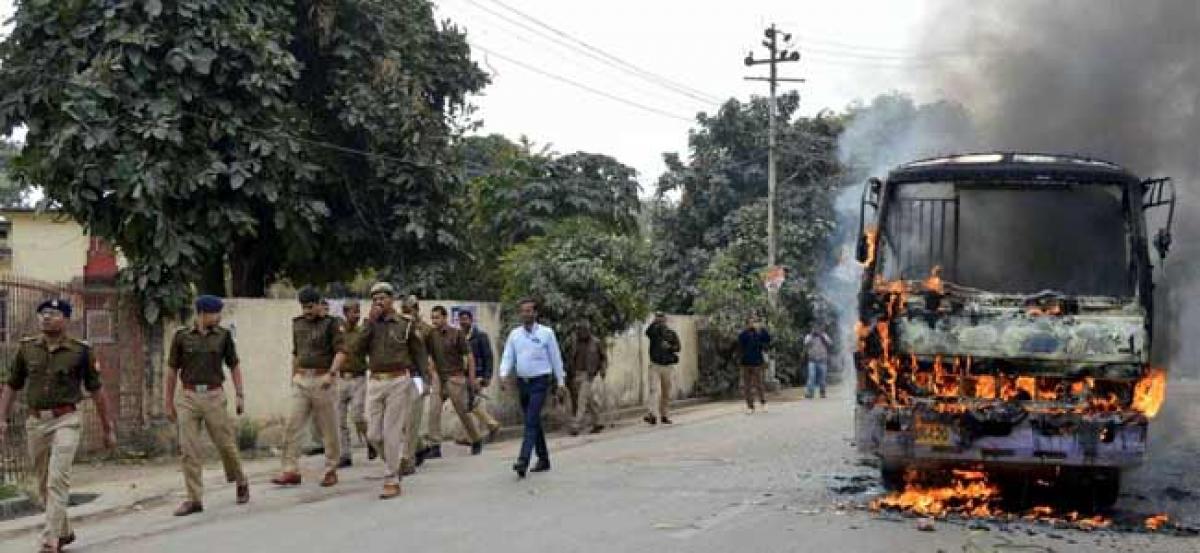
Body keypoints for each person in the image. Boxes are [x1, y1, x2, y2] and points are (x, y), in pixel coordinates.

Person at [0, 299, 115, 553]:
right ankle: (65, 532)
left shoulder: (80, 351)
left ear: (66, 319)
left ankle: (50, 539)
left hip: (67, 420)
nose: (46, 318)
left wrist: (108, 428)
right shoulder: (26, 349)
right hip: (36, 422)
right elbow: (11, 385)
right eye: (42, 314)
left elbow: (96, 390)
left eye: (52, 314)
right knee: (43, 483)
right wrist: (2, 419)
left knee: (57, 479)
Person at [331, 282, 426, 499]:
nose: (378, 302)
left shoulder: (405, 324)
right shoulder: (369, 325)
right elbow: (354, 349)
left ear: (391, 300)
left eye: (382, 298)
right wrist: (369, 324)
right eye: (375, 299)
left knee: (391, 432)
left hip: (399, 380)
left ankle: (391, 479)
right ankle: (395, 464)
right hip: (374, 381)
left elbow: (418, 353)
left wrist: (423, 381)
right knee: (374, 434)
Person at [164, 295, 250, 517]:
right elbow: (172, 371)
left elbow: (234, 365)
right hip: (189, 396)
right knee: (188, 449)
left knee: (225, 444)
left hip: (214, 395)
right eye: (216, 313)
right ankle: (194, 499)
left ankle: (240, 480)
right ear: (202, 314)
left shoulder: (223, 336)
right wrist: (168, 402)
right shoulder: (181, 337)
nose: (219, 317)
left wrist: (240, 395)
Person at [273, 287, 342, 488]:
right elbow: (296, 353)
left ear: (320, 304)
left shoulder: (332, 324)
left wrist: (332, 373)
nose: (307, 311)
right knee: (292, 425)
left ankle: (331, 469)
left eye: (310, 307)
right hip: (302, 380)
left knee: (328, 429)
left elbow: (341, 351)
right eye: (304, 307)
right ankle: (290, 470)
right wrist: (292, 376)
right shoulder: (298, 324)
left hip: (323, 380)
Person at [499, 298, 566, 478]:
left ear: (536, 313)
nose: (526, 314)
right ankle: (543, 459)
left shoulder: (546, 333)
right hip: (523, 383)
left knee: (530, 420)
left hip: (540, 382)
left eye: (529, 311)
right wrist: (503, 375)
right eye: (523, 311)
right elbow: (508, 356)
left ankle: (523, 460)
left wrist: (561, 382)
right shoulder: (515, 335)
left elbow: (555, 358)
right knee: (533, 420)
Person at [423, 306, 483, 455]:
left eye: (437, 317)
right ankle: (435, 445)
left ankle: (476, 439)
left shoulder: (456, 334)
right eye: (433, 318)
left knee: (462, 411)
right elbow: (427, 355)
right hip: (438, 377)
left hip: (455, 377)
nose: (434, 321)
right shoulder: (431, 335)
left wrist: (471, 379)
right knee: (434, 410)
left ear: (445, 318)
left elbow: (469, 357)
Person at [401, 295, 437, 473]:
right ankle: (420, 446)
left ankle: (409, 458)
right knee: (401, 420)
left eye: (410, 309)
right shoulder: (399, 327)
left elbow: (433, 354)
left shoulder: (426, 330)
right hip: (401, 376)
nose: (407, 312)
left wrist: (429, 379)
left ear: (417, 308)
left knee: (411, 416)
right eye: (404, 310)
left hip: (418, 376)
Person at [335, 299, 369, 467]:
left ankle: (371, 441)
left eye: (358, 311)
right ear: (345, 313)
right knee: (339, 419)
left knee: (357, 415)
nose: (356, 315)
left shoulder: (363, 332)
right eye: (353, 312)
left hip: (358, 378)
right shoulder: (338, 332)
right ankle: (345, 454)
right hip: (341, 378)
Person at [459, 310, 501, 441]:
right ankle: (490, 425)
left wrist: (486, 376)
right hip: (463, 375)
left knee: (470, 404)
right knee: (469, 404)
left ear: (471, 320)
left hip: (477, 375)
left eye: (465, 319)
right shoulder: (459, 336)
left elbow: (488, 357)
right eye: (461, 319)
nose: (463, 322)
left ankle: (472, 435)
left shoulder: (480, 336)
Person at [569, 322, 607, 435]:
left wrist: (603, 369)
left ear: (588, 330)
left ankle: (576, 425)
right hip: (577, 374)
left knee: (582, 400)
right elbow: (572, 358)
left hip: (589, 374)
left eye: (584, 330)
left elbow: (603, 357)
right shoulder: (576, 343)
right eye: (580, 330)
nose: (582, 333)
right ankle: (597, 422)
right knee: (589, 400)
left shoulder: (596, 342)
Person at [643, 312, 681, 425]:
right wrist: (653, 322)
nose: (661, 321)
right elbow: (647, 332)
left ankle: (664, 415)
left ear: (666, 320)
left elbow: (678, 347)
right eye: (658, 319)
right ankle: (652, 414)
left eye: (662, 319)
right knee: (653, 390)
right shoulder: (654, 333)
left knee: (666, 392)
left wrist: (669, 347)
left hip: (668, 366)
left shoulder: (672, 334)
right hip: (655, 365)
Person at [737, 316, 772, 414]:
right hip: (746, 362)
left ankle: (763, 403)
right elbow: (740, 347)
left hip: (757, 362)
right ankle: (750, 406)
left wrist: (762, 329)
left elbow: (768, 340)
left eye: (754, 322)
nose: (752, 324)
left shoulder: (759, 333)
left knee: (759, 384)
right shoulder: (743, 335)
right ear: (747, 324)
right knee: (747, 386)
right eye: (750, 322)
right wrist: (740, 360)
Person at [803, 327, 833, 399]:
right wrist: (812, 336)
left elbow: (830, 343)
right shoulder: (809, 336)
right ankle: (810, 393)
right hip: (812, 360)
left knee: (822, 379)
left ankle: (822, 392)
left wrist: (822, 336)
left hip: (822, 360)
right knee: (811, 377)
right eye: (814, 329)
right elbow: (805, 343)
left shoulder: (824, 335)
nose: (816, 330)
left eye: (817, 329)